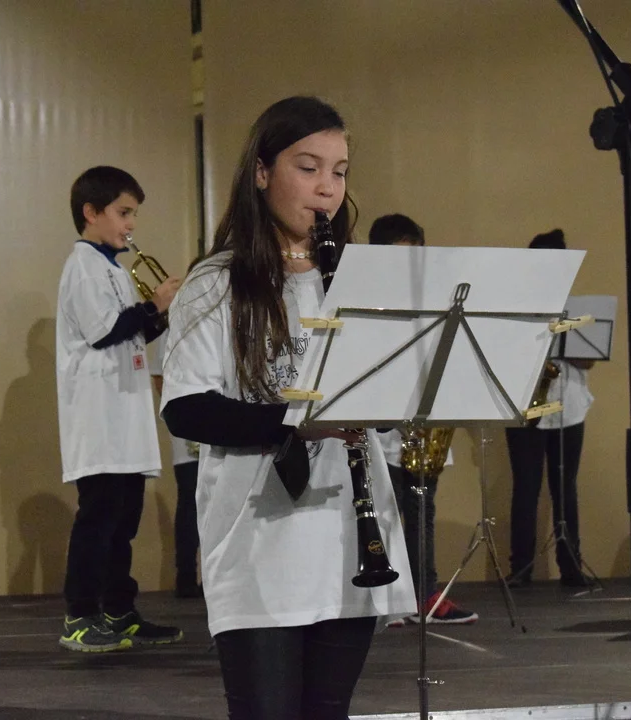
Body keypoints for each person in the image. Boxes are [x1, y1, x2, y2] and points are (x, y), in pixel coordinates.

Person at [161, 96, 415, 720]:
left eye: (340, 171)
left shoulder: (356, 279)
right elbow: (187, 410)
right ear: (261, 172)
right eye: (308, 167)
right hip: (259, 541)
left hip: (348, 537)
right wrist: (299, 421)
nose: (328, 188)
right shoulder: (216, 281)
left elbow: (383, 399)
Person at [56, 165, 184, 652]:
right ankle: (80, 615)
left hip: (125, 412)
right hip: (98, 415)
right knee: (99, 519)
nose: (130, 224)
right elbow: (104, 331)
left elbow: (132, 332)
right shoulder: (83, 266)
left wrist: (161, 315)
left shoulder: (112, 267)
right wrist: (154, 304)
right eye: (123, 213)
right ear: (91, 212)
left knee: (123, 521)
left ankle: (118, 609)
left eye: (133, 215)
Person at [368, 213, 477, 625]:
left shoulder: (433, 301)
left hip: (423, 429)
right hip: (383, 431)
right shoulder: (369, 302)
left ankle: (424, 594)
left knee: (421, 514)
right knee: (383, 516)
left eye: (415, 256)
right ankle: (386, 599)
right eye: (399, 257)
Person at [505, 229, 595, 589]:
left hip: (569, 407)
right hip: (525, 405)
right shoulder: (515, 308)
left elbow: (588, 362)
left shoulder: (575, 308)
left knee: (565, 488)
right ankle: (521, 567)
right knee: (525, 488)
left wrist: (564, 334)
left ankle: (570, 565)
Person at [148, 259, 203, 600]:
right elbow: (158, 377)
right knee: (190, 499)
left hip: (220, 421)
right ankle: (185, 575)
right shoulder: (172, 324)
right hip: (188, 426)